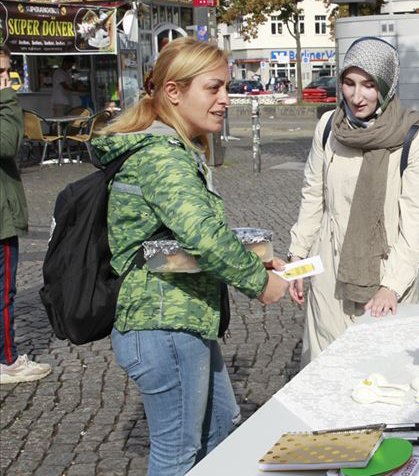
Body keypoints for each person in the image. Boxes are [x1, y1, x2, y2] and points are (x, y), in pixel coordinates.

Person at [92, 38, 290, 476]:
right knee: (177, 455)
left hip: (181, 321)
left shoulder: (173, 149)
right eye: (214, 88)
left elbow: (172, 243)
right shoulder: (162, 156)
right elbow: (202, 236)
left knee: (221, 426)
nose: (225, 100)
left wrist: (255, 259)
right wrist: (259, 284)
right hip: (162, 326)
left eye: (226, 88)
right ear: (174, 92)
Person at [287, 37, 419, 365]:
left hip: (387, 275)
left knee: (383, 371)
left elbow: (416, 225)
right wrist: (297, 260)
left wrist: (392, 286)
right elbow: (313, 196)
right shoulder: (329, 127)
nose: (357, 97)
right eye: (348, 83)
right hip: (329, 274)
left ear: (386, 86)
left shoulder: (413, 138)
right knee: (326, 368)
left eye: (369, 85)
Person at [0, 43, 53, 385]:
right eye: (1, 73)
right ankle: (6, 362)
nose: (8, 81)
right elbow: (6, 143)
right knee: (3, 291)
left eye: (7, 72)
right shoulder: (4, 103)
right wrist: (6, 99)